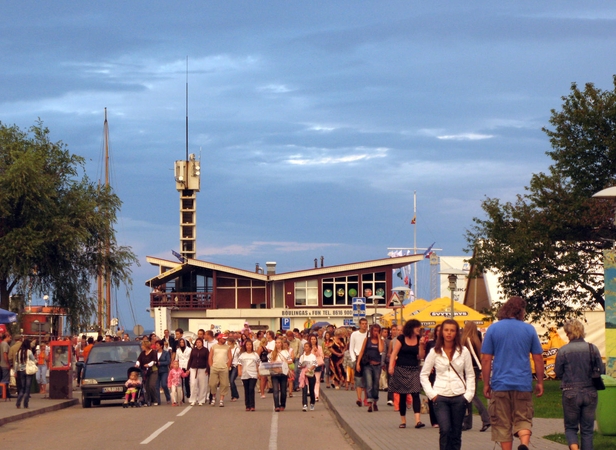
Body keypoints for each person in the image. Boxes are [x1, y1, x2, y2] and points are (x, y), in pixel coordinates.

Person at [481, 296, 544, 450]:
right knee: (523, 418)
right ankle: (523, 444)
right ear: (521, 311)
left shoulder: (493, 329)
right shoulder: (529, 329)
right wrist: (540, 382)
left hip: (500, 384)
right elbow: (538, 358)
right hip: (523, 383)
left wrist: (486, 384)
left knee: (502, 423)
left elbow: (486, 359)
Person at [421, 319, 475, 450]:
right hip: (441, 396)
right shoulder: (434, 352)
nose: (449, 333)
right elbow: (423, 374)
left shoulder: (464, 351)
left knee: (456, 433)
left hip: (459, 396)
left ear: (456, 333)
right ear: (441, 333)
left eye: (452, 330)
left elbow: (470, 374)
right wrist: (432, 394)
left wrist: (468, 395)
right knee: (445, 430)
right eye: (446, 330)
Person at [555, 319, 603, 450]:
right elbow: (601, 370)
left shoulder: (563, 350)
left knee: (571, 428)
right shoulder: (593, 348)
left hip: (570, 392)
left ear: (567, 333)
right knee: (587, 430)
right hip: (591, 392)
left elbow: (558, 372)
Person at [389, 319, 427, 428]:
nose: (419, 330)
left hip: (414, 369)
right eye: (417, 328)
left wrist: (421, 345)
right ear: (411, 328)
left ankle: (418, 421)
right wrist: (391, 366)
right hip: (401, 369)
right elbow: (394, 353)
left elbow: (421, 356)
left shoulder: (419, 339)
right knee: (402, 394)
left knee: (415, 393)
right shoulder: (401, 338)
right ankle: (403, 421)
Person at [461, 322, 490, 432]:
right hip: (476, 368)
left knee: (471, 395)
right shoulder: (477, 339)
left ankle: (486, 418)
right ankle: (467, 422)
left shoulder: (467, 340)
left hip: (469, 368)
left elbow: (471, 355)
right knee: (469, 395)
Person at [356, 323, 384, 412]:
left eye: (378, 331)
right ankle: (369, 403)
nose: (376, 332)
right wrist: (358, 363)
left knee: (376, 385)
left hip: (377, 365)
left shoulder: (381, 341)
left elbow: (380, 350)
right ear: (371, 331)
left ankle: (375, 402)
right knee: (369, 384)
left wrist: (379, 338)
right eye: (374, 331)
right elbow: (361, 351)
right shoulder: (367, 340)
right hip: (368, 365)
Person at [208, 333, 232, 407]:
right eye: (223, 338)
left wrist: (227, 366)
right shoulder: (213, 347)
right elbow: (210, 357)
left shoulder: (227, 347)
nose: (225, 340)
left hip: (224, 368)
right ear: (219, 338)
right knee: (212, 384)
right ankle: (214, 397)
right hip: (215, 367)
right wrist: (211, 365)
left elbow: (230, 357)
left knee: (224, 384)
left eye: (225, 339)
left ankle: (221, 400)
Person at [349, 317, 368, 406]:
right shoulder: (354, 334)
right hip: (357, 357)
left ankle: (366, 399)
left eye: (365, 324)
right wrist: (354, 359)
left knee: (367, 380)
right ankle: (359, 398)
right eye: (363, 324)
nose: (364, 325)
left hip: (367, 358)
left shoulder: (369, 334)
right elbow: (351, 348)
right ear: (360, 325)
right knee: (358, 379)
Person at [425, 324, 442, 427]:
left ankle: (442, 418)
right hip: (433, 372)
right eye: (438, 330)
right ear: (435, 332)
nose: (439, 332)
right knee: (432, 395)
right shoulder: (430, 344)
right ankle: (434, 420)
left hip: (442, 372)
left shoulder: (447, 344)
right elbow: (427, 357)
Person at [238, 339, 260, 411]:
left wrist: (258, 372)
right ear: (245, 346)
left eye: (250, 345)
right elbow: (239, 364)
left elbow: (258, 364)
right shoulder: (242, 355)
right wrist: (239, 371)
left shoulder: (255, 355)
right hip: (245, 374)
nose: (249, 346)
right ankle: (247, 405)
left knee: (251, 389)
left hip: (253, 373)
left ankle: (252, 405)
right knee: (246, 390)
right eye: (247, 345)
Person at [186, 337, 210, 406]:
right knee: (193, 384)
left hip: (203, 369)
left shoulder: (205, 350)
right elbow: (190, 359)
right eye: (197, 342)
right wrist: (188, 368)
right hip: (194, 368)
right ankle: (193, 399)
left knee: (202, 385)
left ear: (202, 343)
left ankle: (201, 400)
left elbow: (207, 360)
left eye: (199, 342)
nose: (198, 343)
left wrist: (207, 369)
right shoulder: (193, 350)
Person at [269, 337, 290, 412]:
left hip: (283, 373)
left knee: (283, 390)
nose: (277, 344)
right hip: (275, 373)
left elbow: (290, 361)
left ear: (281, 344)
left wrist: (283, 364)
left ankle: (282, 405)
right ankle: (276, 405)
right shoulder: (272, 353)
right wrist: (273, 364)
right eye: (276, 343)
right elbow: (269, 363)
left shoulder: (285, 352)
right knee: (275, 390)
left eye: (279, 343)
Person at [136, 340, 159, 406]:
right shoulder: (142, 353)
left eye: (142, 345)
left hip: (153, 370)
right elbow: (139, 360)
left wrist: (148, 364)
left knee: (151, 385)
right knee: (146, 386)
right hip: (145, 371)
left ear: (146, 346)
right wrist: (137, 364)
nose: (141, 347)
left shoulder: (153, 352)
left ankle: (155, 399)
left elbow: (154, 361)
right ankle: (147, 400)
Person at [15, 338, 36, 409]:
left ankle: (18, 403)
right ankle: (25, 404)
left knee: (22, 388)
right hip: (28, 371)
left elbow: (16, 363)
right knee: (27, 388)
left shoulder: (18, 352)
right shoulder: (29, 352)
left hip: (20, 371)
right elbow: (33, 360)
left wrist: (15, 371)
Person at [299, 342, 318, 411]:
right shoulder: (302, 356)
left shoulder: (313, 356)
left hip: (311, 374)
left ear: (310, 348)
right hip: (304, 375)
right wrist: (302, 366)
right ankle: (304, 404)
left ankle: (312, 403)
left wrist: (309, 369)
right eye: (305, 347)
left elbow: (315, 364)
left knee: (311, 390)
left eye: (307, 347)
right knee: (304, 390)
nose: (305, 348)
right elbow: (299, 365)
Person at [309, 334, 324, 401]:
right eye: (312, 339)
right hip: (310, 365)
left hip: (317, 365)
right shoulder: (308, 347)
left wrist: (316, 351)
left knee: (317, 380)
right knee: (310, 379)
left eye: (314, 339)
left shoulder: (319, 347)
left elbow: (322, 356)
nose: (313, 340)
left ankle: (316, 395)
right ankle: (310, 391)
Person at [228, 337, 241, 402]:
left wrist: (239, 367)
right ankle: (233, 395)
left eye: (229, 343)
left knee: (232, 380)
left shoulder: (237, 349)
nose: (228, 345)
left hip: (235, 366)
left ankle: (235, 395)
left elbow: (240, 358)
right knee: (230, 382)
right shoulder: (227, 349)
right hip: (229, 366)